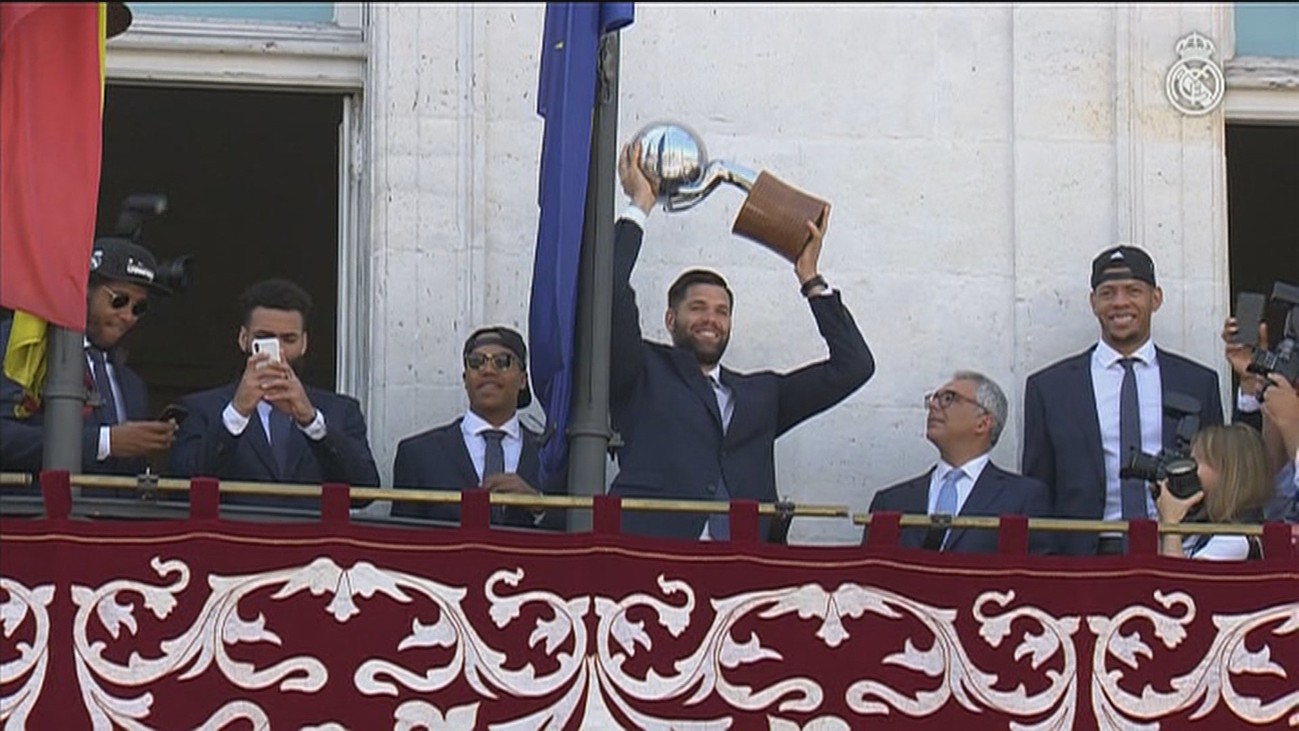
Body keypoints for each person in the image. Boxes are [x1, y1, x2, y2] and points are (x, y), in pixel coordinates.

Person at [609, 142, 876, 541]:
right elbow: (610, 291)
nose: (710, 320)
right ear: (670, 319)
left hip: (748, 566)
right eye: (697, 308)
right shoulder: (643, 370)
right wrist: (639, 205)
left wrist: (809, 276)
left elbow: (854, 366)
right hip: (655, 555)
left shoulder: (762, 394)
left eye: (721, 311)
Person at [1022, 245, 1224, 556]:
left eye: (1133, 291)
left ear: (1155, 298)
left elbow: (1222, 474)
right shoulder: (1050, 388)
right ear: (1093, 302)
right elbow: (1037, 489)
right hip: (1083, 559)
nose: (1120, 303)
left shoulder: (1198, 382)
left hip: (1177, 550)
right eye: (1107, 293)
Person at [169, 279, 380, 507]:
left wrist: (311, 421)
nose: (278, 351)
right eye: (264, 337)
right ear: (244, 339)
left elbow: (364, 492)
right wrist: (236, 414)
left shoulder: (340, 411)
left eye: (289, 339)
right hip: (233, 539)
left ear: (304, 343)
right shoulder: (200, 409)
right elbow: (181, 490)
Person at [1, 237, 177, 477]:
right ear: (83, 290)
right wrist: (103, 443)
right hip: (39, 512)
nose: (128, 316)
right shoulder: (22, 343)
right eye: (119, 301)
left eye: (139, 308)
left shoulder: (133, 385)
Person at [391, 327, 561, 530]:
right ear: (465, 379)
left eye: (502, 361)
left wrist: (538, 506)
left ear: (523, 379)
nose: (488, 370)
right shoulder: (418, 455)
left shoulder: (553, 456)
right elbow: (404, 546)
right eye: (476, 362)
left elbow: (576, 533)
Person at [867, 372, 1053, 554]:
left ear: (983, 423)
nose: (933, 405)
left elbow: (1038, 576)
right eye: (933, 398)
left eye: (948, 398)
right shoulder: (890, 502)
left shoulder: (1022, 499)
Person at [1154, 424, 1274, 560]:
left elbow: (1181, 578)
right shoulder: (1199, 530)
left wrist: (1171, 523)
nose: (1190, 470)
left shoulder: (1236, 539)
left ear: (1227, 473)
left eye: (1195, 462)